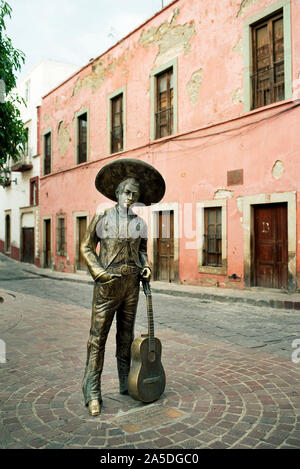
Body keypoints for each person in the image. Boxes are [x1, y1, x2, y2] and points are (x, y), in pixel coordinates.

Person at [81, 158, 165, 416]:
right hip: (107, 285)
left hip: (131, 286)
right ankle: (92, 391)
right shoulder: (102, 216)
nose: (130, 198)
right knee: (98, 339)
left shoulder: (140, 224)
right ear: (117, 193)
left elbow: (142, 252)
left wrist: (146, 266)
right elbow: (86, 247)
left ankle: (126, 382)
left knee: (125, 338)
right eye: (127, 193)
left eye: (135, 195)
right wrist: (98, 273)